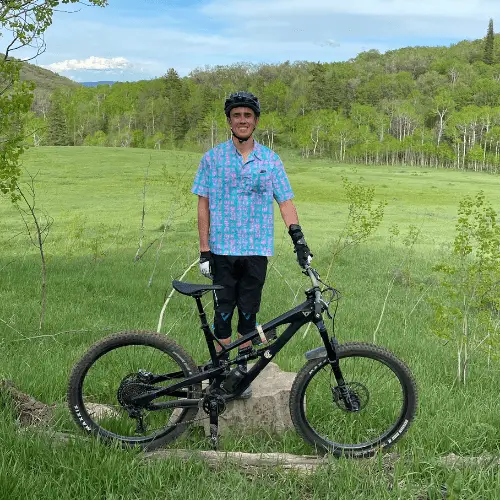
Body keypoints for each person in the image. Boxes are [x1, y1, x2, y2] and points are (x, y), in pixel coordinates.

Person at [191, 91, 312, 398]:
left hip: (257, 248)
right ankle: (220, 367)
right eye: (236, 115)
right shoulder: (212, 158)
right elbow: (203, 204)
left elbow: (285, 201)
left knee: (248, 314)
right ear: (229, 121)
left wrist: (297, 237)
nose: (242, 120)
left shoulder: (270, 161)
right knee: (222, 314)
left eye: (247, 115)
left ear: (256, 121)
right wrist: (204, 249)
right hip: (222, 249)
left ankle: (241, 369)